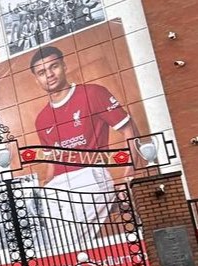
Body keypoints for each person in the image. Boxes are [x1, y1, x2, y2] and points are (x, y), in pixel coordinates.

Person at [30, 45, 140, 234]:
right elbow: (52, 162)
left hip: (91, 176)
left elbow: (130, 131)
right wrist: (45, 187)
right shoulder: (41, 119)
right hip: (58, 186)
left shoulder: (93, 93)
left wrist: (127, 178)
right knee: (45, 239)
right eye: (41, 72)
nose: (49, 74)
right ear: (37, 79)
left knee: (69, 241)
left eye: (53, 66)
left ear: (64, 66)